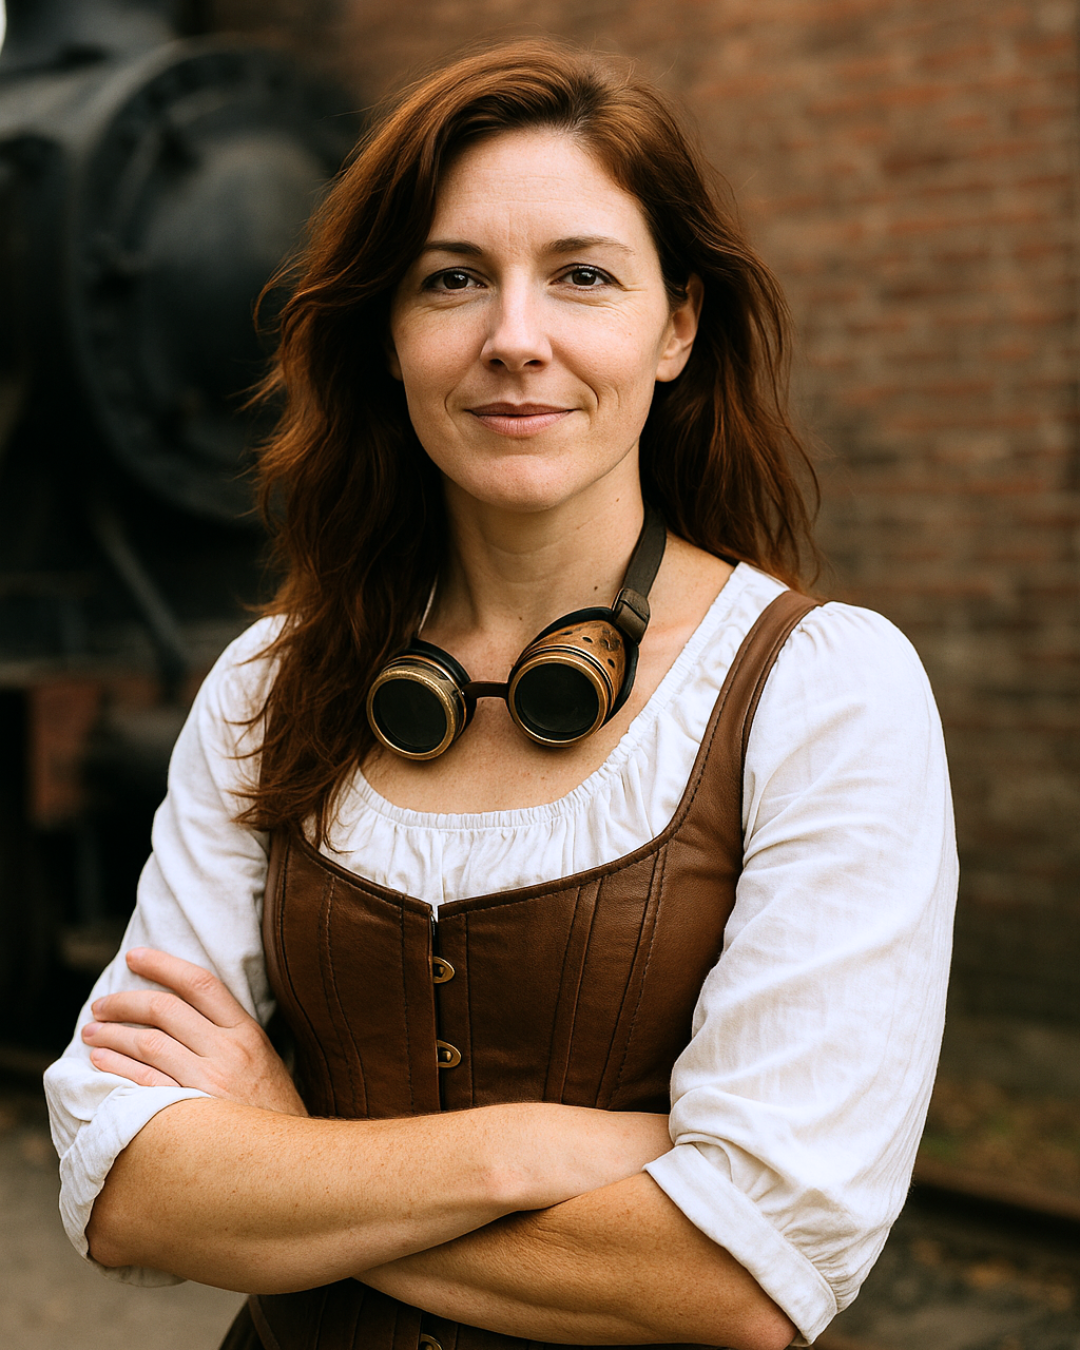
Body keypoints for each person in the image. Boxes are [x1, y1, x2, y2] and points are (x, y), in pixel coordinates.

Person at [44, 38, 957, 1350]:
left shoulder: (826, 692)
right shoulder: (266, 686)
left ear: (677, 325)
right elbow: (126, 1187)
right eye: (454, 279)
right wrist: (523, 1148)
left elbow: (740, 1278)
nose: (513, 338)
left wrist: (286, 1155)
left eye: (582, 275)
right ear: (392, 335)